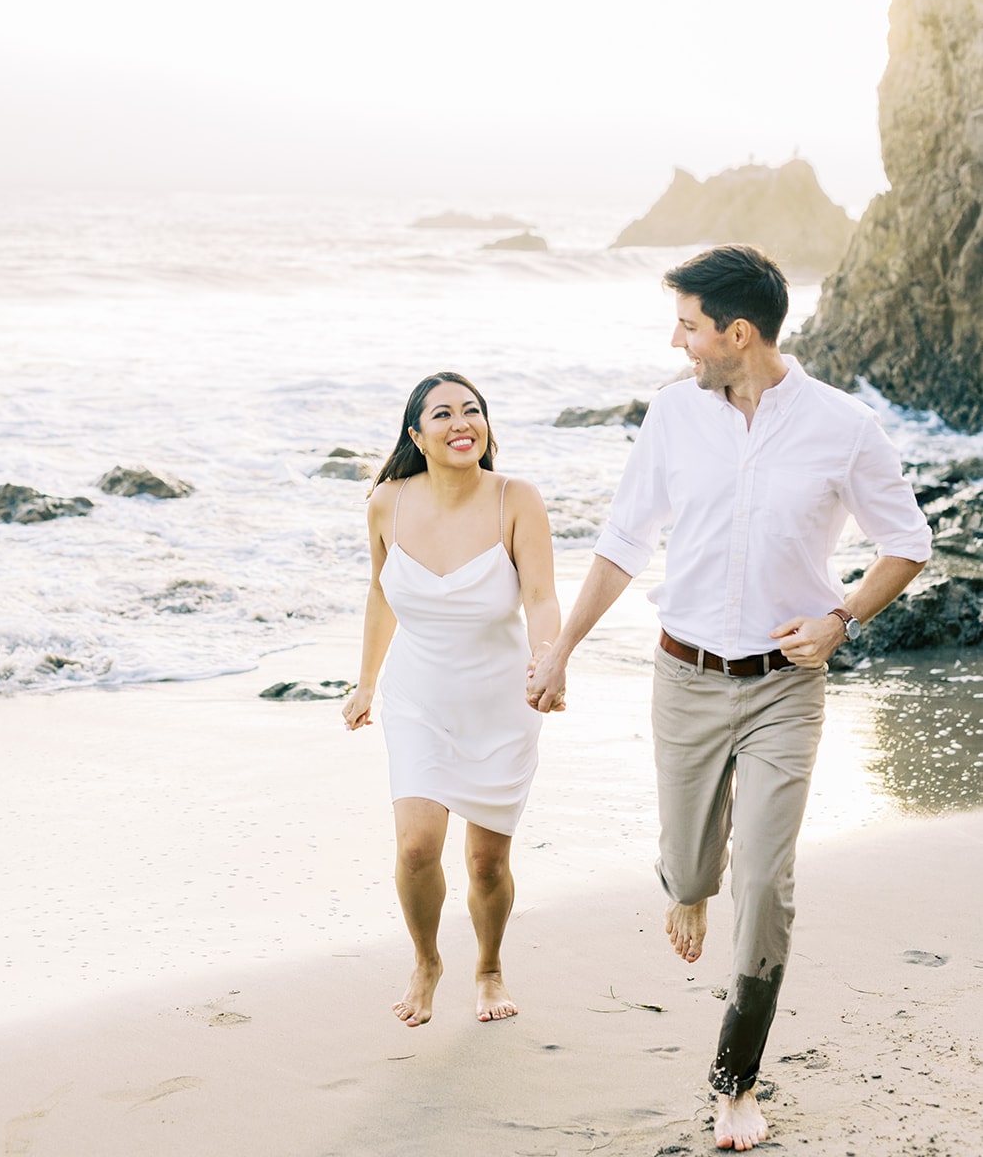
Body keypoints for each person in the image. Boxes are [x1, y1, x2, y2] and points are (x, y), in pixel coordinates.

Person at [526, 245, 930, 1153]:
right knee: (690, 862)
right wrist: (558, 651)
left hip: (786, 686)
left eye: (687, 326)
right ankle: (690, 884)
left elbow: (907, 539)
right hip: (683, 675)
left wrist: (843, 618)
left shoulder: (844, 427)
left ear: (735, 334)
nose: (677, 343)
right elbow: (625, 539)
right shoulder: (674, 415)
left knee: (764, 883)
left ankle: (734, 1079)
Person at [342, 371, 562, 1028]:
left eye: (472, 411)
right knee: (415, 847)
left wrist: (546, 662)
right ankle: (425, 960)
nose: (460, 422)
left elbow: (541, 597)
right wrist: (365, 683)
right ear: (416, 434)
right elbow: (381, 593)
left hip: (501, 700)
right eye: (442, 414)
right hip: (419, 697)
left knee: (486, 863)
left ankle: (489, 965)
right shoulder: (386, 501)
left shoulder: (514, 499)